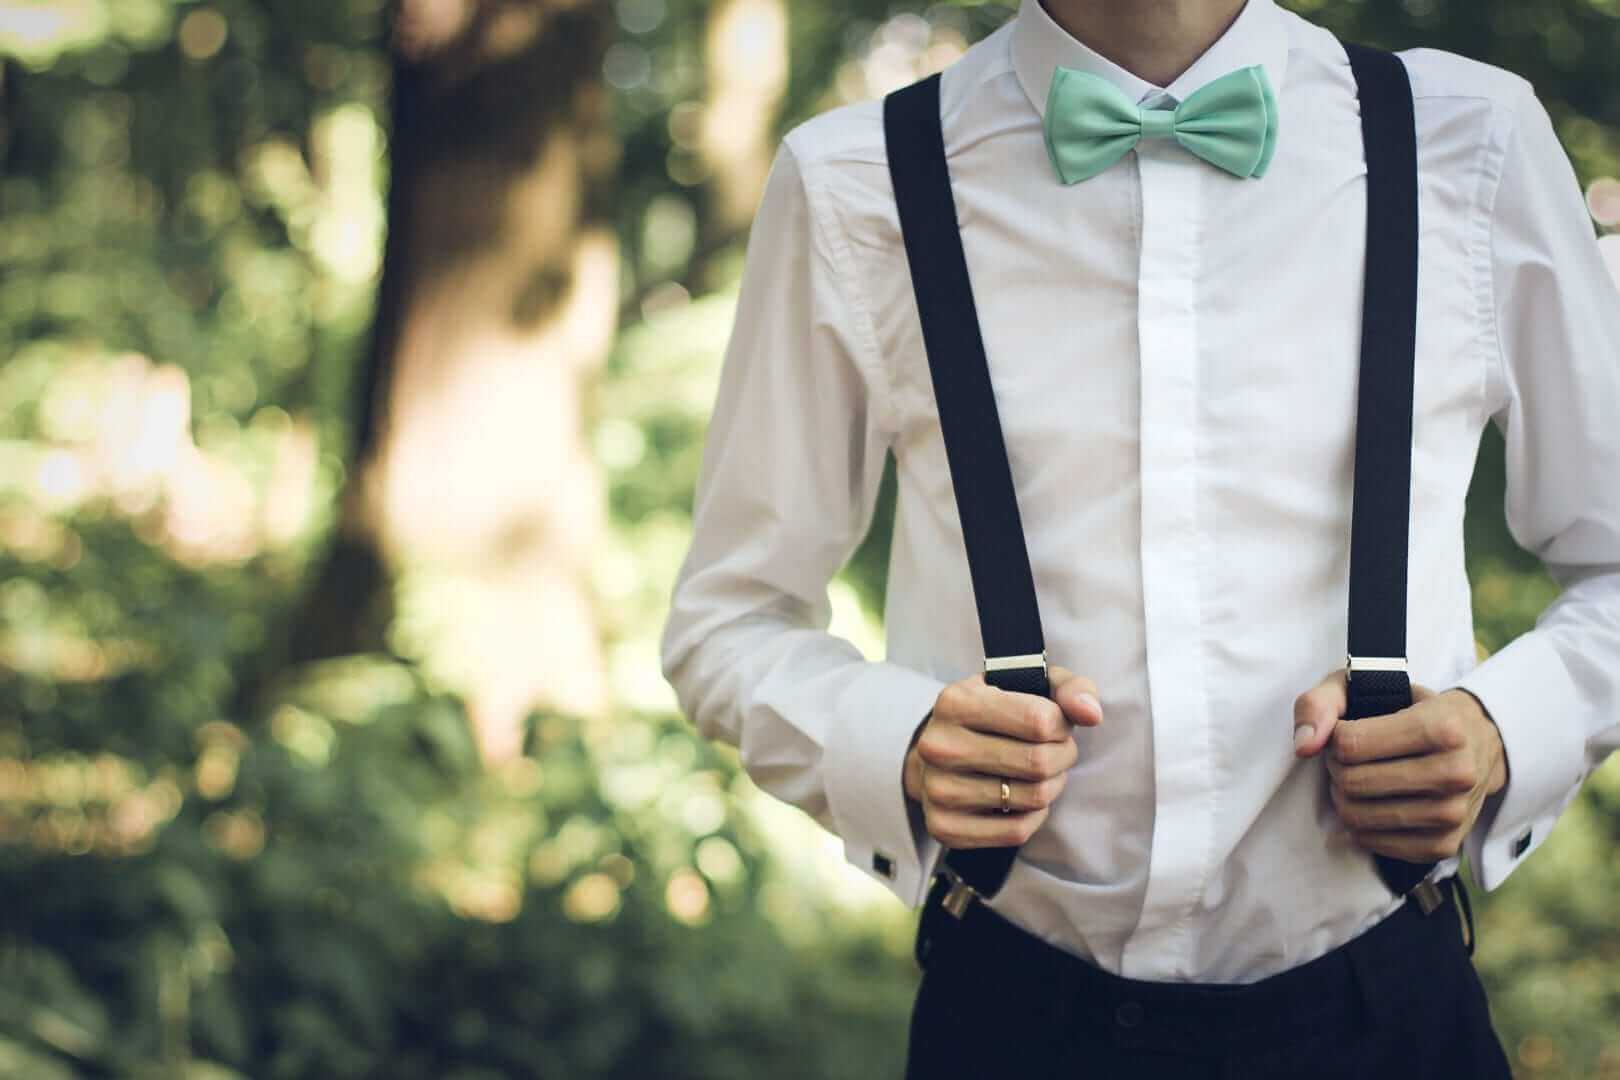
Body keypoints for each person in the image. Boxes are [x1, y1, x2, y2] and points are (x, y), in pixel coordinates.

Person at [659, 0, 1620, 1074]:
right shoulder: (855, 182)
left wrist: (1499, 730)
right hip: (1012, 1020)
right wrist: (895, 739)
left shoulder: (1470, 142)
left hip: (1385, 1014)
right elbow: (726, 619)